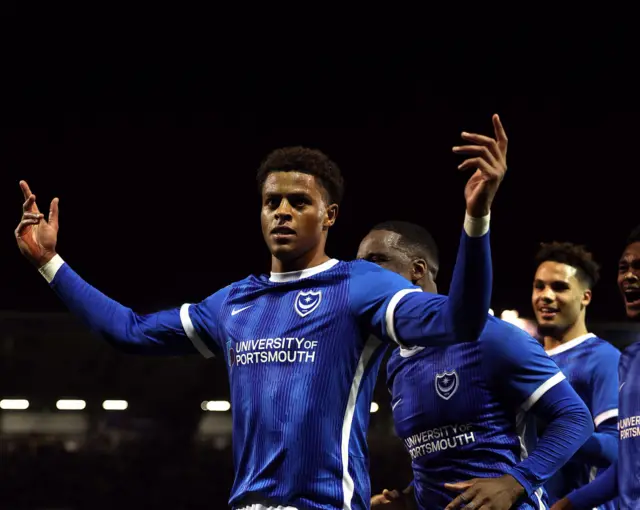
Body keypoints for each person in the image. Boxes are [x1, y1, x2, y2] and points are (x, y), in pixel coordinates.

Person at [14, 115, 505, 510]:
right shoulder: (232, 303)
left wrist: (476, 217)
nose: (282, 211)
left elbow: (461, 321)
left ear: (329, 216)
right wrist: (49, 263)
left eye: (299, 201)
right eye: (272, 202)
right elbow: (129, 331)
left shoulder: (361, 286)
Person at [360, 222, 594, 510]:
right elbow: (437, 455)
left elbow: (575, 417)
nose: (364, 273)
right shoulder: (396, 361)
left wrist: (516, 481)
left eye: (376, 260)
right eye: (359, 265)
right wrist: (409, 497)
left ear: (417, 270)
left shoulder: (492, 337)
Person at [551, 225, 640, 510]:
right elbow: (628, 464)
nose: (628, 276)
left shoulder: (603, 357)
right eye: (623, 267)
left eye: (639, 267)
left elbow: (612, 448)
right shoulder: (630, 360)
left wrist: (549, 429)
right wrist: (567, 505)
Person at [532, 242, 619, 509]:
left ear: (585, 297)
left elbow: (618, 448)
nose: (545, 295)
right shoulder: (527, 358)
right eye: (539, 286)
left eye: (560, 287)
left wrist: (548, 429)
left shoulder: (604, 358)